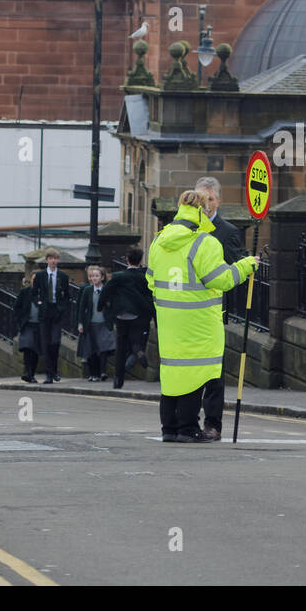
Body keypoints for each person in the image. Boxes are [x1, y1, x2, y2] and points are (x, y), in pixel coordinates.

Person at [147, 189, 258, 443]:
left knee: (173, 372)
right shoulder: (204, 242)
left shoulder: (159, 240)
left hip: (168, 319)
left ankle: (169, 429)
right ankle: (188, 428)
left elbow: (151, 280)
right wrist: (246, 265)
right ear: (202, 212)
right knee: (195, 374)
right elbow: (221, 279)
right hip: (199, 321)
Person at [194, 176, 243, 440]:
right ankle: (189, 421)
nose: (206, 205)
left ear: (218, 201)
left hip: (214, 313)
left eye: (210, 199)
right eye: (202, 199)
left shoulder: (228, 232)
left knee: (214, 372)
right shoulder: (186, 230)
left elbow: (236, 271)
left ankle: (213, 424)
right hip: (188, 312)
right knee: (189, 371)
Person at [107, 246, 153, 389]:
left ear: (127, 260)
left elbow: (106, 291)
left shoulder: (118, 276)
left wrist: (102, 306)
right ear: (141, 260)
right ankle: (138, 351)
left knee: (121, 348)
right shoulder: (144, 276)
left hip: (121, 316)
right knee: (136, 340)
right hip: (140, 315)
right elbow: (151, 293)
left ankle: (118, 380)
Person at [31, 249, 71, 385]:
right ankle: (49, 374)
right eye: (51, 258)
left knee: (55, 342)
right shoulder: (40, 275)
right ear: (47, 260)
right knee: (46, 344)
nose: (53, 261)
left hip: (56, 311)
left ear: (58, 260)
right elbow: (34, 293)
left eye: (55, 258)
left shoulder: (63, 276)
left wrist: (62, 308)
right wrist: (39, 303)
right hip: (44, 312)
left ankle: (54, 370)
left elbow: (67, 296)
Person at [76, 265, 115, 382]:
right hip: (91, 324)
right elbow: (81, 308)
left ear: (102, 277)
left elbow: (112, 306)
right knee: (92, 350)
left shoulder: (107, 290)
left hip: (103, 323)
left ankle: (102, 372)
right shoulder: (87, 290)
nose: (94, 278)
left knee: (103, 349)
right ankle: (94, 374)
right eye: (92, 276)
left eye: (97, 276)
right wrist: (80, 324)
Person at [14, 270, 43, 383]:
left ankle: (32, 374)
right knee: (28, 348)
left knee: (35, 351)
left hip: (39, 326)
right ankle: (28, 372)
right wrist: (20, 321)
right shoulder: (25, 292)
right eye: (34, 279)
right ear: (30, 280)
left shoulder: (44, 293)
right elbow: (17, 308)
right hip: (27, 325)